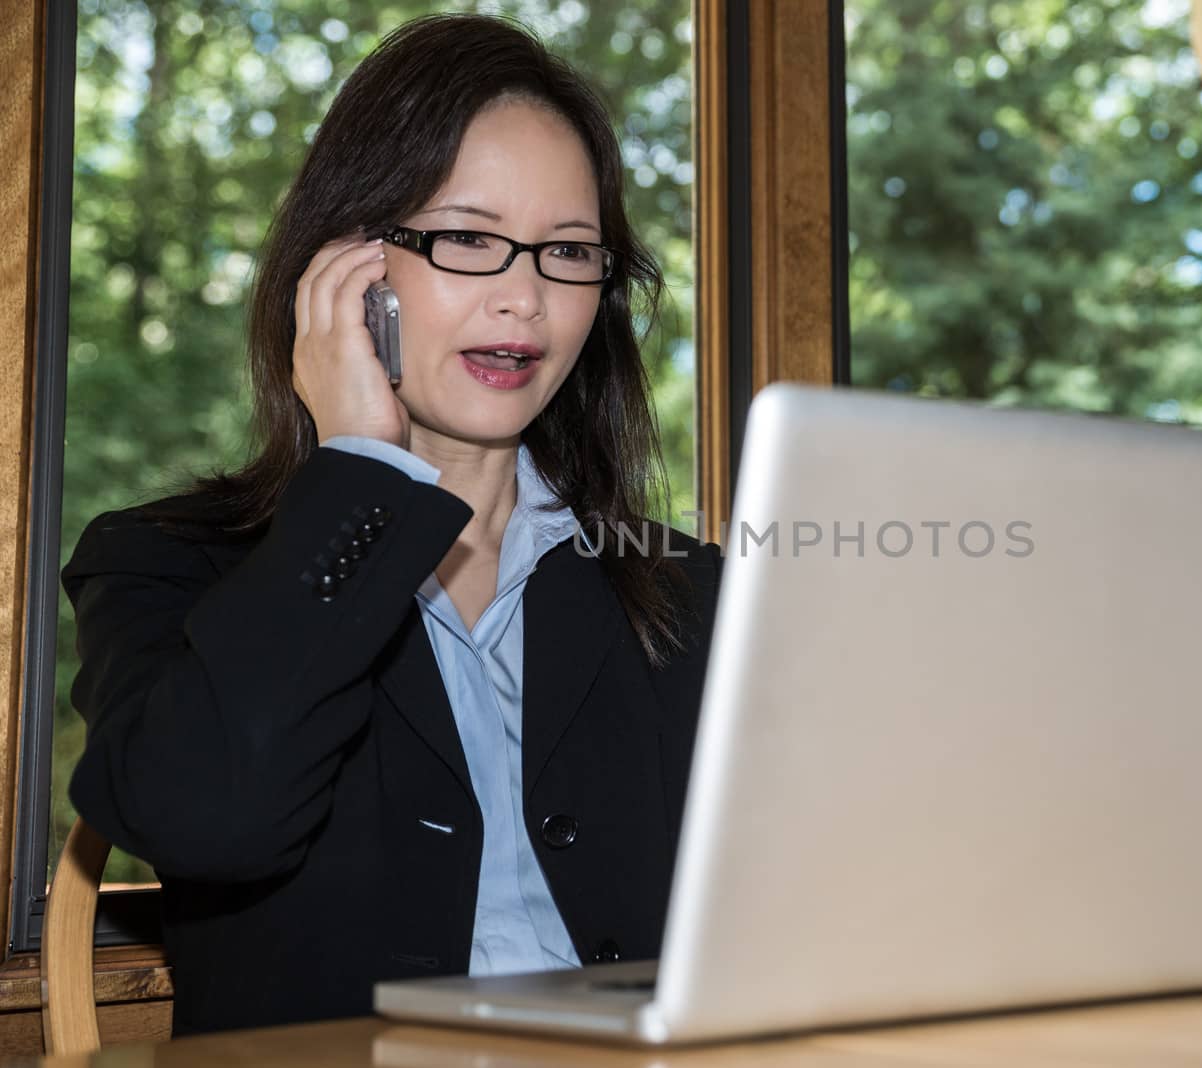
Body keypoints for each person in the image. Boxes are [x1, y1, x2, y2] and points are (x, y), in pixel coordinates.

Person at [62, 14, 719, 1036]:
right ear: (347, 270)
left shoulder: (686, 590)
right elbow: (204, 822)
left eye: (568, 252)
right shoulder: (164, 563)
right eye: (467, 237)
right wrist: (362, 470)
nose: (526, 297)